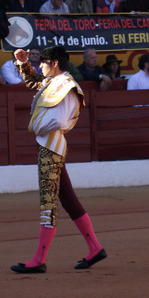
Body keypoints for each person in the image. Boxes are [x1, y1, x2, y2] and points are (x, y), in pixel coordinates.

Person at [10, 46, 107, 273]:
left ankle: (39, 259)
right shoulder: (54, 82)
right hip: (51, 146)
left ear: (54, 63)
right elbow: (36, 82)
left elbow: (59, 121)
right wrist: (24, 64)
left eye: (42, 62)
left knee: (48, 203)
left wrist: (35, 127)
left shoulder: (67, 86)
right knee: (68, 198)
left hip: (51, 148)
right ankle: (95, 247)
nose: (40, 65)